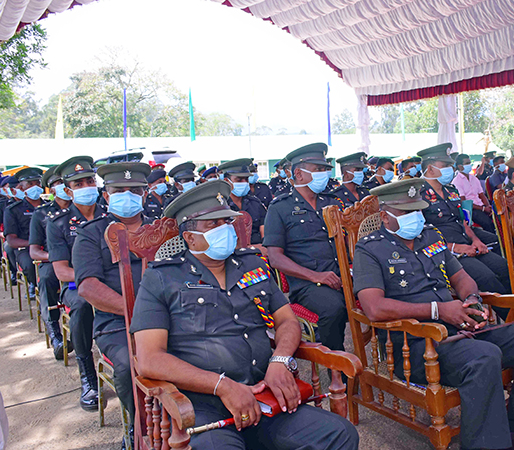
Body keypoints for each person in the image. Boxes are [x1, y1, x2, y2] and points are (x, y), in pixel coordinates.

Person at [129, 180, 359, 450]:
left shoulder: (252, 265)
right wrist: (222, 386)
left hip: (265, 395)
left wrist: (280, 359)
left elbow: (287, 320)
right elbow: (150, 359)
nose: (225, 228)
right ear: (190, 237)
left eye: (227, 221)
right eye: (213, 224)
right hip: (203, 405)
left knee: (341, 434)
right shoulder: (161, 278)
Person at [353, 178, 514, 450]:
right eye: (406, 212)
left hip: (460, 327)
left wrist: (471, 301)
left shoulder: (431, 236)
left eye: (418, 210)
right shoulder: (369, 249)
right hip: (417, 344)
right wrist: (438, 310)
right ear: (385, 217)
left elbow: (461, 278)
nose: (416, 217)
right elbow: (374, 308)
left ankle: (513, 428)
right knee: (485, 356)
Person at [72, 162, 153, 437]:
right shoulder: (91, 233)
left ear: (145, 194)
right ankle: (139, 428)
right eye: (119, 191)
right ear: (106, 196)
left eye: (135, 190)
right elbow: (88, 287)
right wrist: (137, 311)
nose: (127, 196)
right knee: (131, 366)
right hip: (118, 324)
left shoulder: (162, 230)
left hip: (169, 317)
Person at [264, 143, 347, 352]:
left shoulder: (331, 202)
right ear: (299, 174)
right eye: (318, 169)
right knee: (334, 308)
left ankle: (392, 357)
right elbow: (275, 258)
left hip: (343, 274)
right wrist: (315, 276)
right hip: (308, 284)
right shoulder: (280, 207)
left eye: (325, 169)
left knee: (382, 292)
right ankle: (337, 364)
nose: (324, 174)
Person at [47, 156, 109, 412]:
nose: (86, 187)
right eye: (79, 184)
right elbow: (61, 271)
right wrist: (93, 276)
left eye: (90, 181)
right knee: (83, 306)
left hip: (113, 281)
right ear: (68, 190)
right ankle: (88, 377)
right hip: (77, 286)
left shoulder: (111, 215)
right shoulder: (58, 223)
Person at [417, 144, 511, 299]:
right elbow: (419, 236)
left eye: (450, 165)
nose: (450, 169)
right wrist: (454, 247)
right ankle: (509, 312)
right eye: (445, 165)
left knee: (503, 267)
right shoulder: (417, 195)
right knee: (487, 278)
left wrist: (475, 239)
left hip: (465, 241)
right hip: (442, 251)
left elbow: (463, 221)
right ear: (431, 169)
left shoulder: (451, 190)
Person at [29, 166, 71, 361]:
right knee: (46, 278)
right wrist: (56, 256)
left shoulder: (83, 209)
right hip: (53, 261)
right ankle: (55, 334)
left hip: (82, 259)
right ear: (52, 189)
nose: (63, 186)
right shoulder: (41, 214)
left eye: (65, 181)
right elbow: (34, 251)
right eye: (58, 183)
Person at [4, 167, 45, 300]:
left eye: (37, 183)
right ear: (22, 188)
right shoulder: (13, 210)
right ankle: (35, 284)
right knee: (29, 264)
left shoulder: (49, 207)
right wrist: (34, 244)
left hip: (50, 246)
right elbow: (11, 240)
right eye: (30, 184)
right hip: (26, 248)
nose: (35, 187)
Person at [218, 159, 268, 249]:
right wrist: (251, 248)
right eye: (239, 180)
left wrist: (264, 246)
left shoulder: (255, 203)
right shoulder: (219, 206)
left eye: (246, 179)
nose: (244, 183)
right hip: (231, 253)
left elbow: (264, 231)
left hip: (258, 252)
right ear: (227, 181)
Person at [451, 153, 494, 232]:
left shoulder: (474, 178)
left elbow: (482, 195)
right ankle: (493, 238)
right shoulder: (457, 181)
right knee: (488, 223)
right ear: (460, 166)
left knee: (498, 214)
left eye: (469, 163)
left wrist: (488, 206)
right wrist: (483, 209)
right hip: (471, 209)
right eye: (467, 163)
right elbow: (464, 202)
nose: (469, 165)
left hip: (481, 205)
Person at [0, 177, 19, 285]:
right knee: (5, 245)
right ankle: (14, 271)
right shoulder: (2, 205)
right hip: (10, 236)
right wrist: (4, 235)